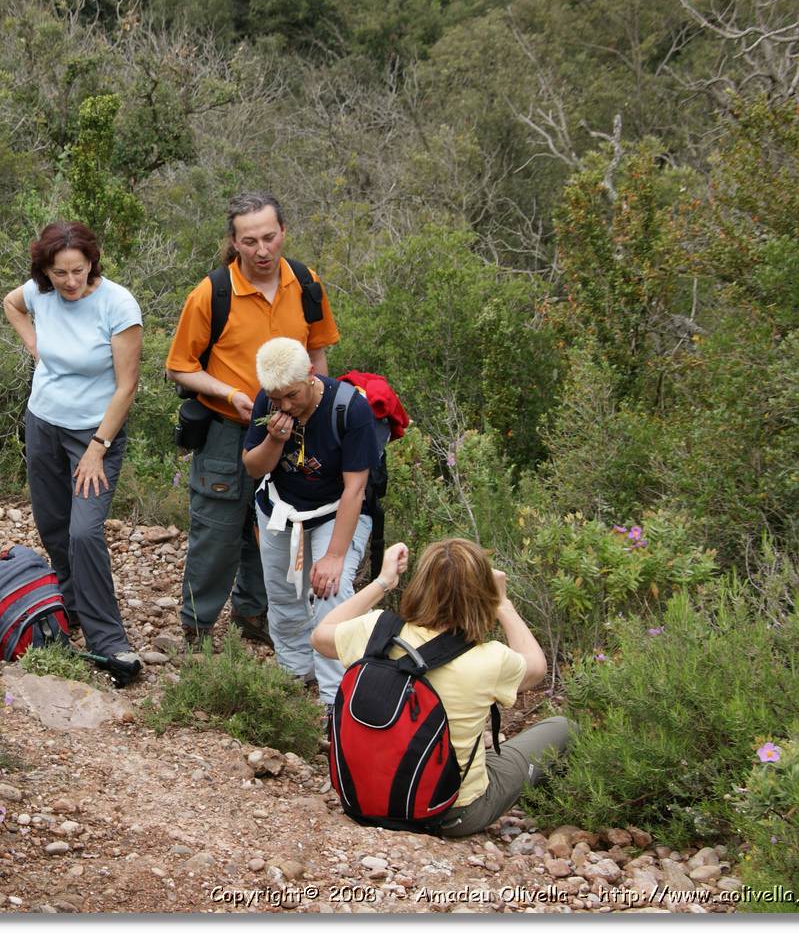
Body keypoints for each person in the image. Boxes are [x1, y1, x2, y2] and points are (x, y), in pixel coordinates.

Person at [165, 192, 340, 647]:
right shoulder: (212, 293)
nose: (262, 250)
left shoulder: (305, 282)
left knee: (277, 525)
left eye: (269, 237)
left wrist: (318, 411)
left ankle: (253, 614)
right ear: (234, 242)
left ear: (283, 232)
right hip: (227, 428)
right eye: (250, 241)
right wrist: (232, 394)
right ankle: (197, 627)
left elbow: (317, 352)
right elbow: (179, 366)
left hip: (293, 428)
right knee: (217, 530)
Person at [312, 539, 575, 838]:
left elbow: (320, 635)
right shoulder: (490, 659)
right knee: (564, 727)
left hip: (362, 802)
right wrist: (503, 604)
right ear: (481, 593)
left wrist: (383, 582)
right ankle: (556, 813)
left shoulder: (377, 630)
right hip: (450, 814)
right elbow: (537, 667)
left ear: (421, 583)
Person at [2, 221, 144, 685]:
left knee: (85, 531)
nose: (69, 282)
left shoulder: (117, 304)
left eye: (77, 271)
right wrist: (33, 345)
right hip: (42, 421)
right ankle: (71, 606)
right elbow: (12, 303)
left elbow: (126, 387)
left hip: (93, 431)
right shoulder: (39, 291)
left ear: (91, 263)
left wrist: (97, 449)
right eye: (60, 273)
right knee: (53, 524)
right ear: (45, 270)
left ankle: (109, 640)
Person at [242, 337, 375, 705]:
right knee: (283, 595)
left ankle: (335, 698)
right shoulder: (268, 402)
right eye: (276, 397)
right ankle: (295, 672)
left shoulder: (349, 409)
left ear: (311, 375)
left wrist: (333, 556)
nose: (284, 405)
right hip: (280, 507)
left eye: (292, 396)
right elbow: (253, 466)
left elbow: (355, 488)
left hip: (335, 510)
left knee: (330, 591)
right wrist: (274, 441)